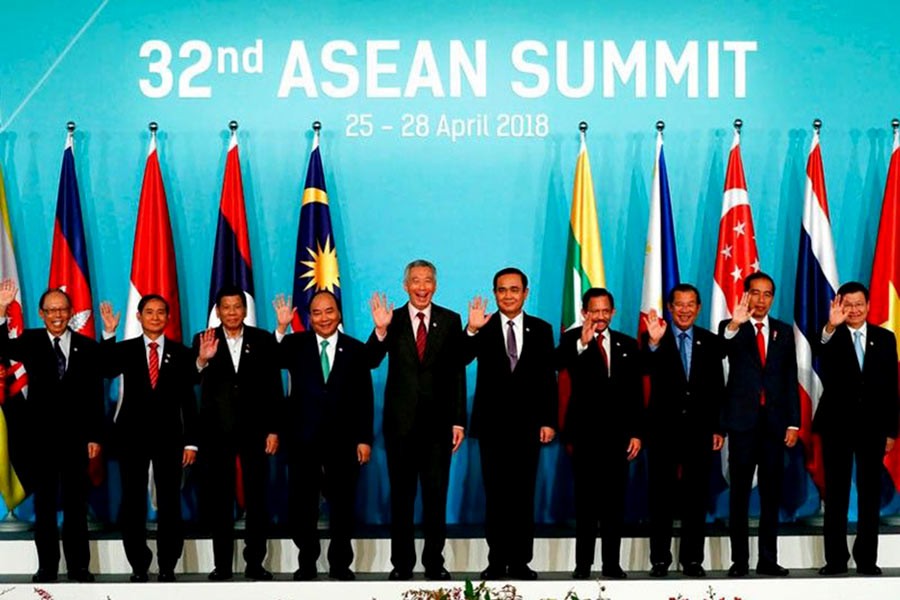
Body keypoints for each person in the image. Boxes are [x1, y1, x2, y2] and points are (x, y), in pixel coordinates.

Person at [367, 259, 466, 581]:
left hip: (438, 429)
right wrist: (379, 330)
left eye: (427, 281)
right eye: (415, 281)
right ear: (405, 286)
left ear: (435, 285)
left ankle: (434, 564)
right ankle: (402, 565)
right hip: (401, 428)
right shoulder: (391, 320)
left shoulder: (450, 320)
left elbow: (456, 373)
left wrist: (457, 421)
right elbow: (370, 360)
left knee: (436, 499)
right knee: (402, 499)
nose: (422, 287)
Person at [0, 280, 102, 583]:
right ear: (41, 314)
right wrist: (3, 308)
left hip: (76, 441)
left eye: (62, 309)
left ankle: (78, 567)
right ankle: (47, 568)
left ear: (71, 312)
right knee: (44, 509)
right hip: (40, 442)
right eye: (51, 310)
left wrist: (95, 435)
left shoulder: (87, 346)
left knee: (75, 508)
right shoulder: (30, 341)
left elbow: (95, 394)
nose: (57, 314)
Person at [273, 290, 374, 581]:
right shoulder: (294, 344)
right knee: (302, 505)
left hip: (344, 441)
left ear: (338, 314)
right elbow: (274, 359)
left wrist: (364, 438)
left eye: (329, 311)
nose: (323, 317)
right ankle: (307, 562)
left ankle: (340, 563)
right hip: (303, 439)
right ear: (308, 317)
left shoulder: (355, 350)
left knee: (342, 505)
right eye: (316, 313)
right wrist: (281, 328)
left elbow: (364, 398)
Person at [463, 267, 556, 581]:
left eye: (514, 289)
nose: (508, 295)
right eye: (502, 290)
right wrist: (472, 331)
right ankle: (496, 560)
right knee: (497, 496)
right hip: (492, 428)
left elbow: (548, 379)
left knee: (522, 496)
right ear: (495, 293)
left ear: (525, 293)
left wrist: (548, 420)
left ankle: (520, 561)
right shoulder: (484, 328)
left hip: (529, 428)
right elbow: (460, 358)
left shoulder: (542, 330)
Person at [99, 295, 200, 582]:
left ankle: (168, 564)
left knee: (170, 503)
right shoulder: (127, 349)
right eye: (149, 312)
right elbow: (105, 369)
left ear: (168, 318)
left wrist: (191, 441)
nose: (155, 317)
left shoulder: (181, 353)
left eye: (160, 313)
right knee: (132, 504)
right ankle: (139, 565)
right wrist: (108, 333)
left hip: (170, 440)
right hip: (132, 439)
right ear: (139, 316)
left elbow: (188, 402)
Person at [192, 285, 283, 581]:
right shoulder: (203, 339)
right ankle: (223, 566)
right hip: (216, 434)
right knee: (220, 502)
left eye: (237, 307)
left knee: (258, 500)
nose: (231, 312)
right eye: (226, 307)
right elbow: (189, 379)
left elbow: (273, 387)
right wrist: (202, 360)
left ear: (245, 310)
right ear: (217, 311)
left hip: (255, 432)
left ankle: (255, 563)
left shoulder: (262, 340)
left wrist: (273, 428)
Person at [557, 287, 642, 580]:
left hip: (618, 438)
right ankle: (583, 565)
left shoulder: (627, 344)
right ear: (584, 313)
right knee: (586, 504)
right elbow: (558, 363)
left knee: (614, 505)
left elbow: (635, 393)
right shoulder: (572, 340)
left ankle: (611, 564)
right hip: (585, 436)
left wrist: (636, 433)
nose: (601, 316)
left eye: (606, 311)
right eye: (595, 311)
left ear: (613, 312)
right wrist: (582, 345)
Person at [718, 272, 799, 577]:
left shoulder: (783, 331)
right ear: (745, 295)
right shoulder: (731, 328)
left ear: (772, 298)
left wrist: (793, 423)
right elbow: (720, 351)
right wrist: (735, 324)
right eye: (755, 293)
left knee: (770, 495)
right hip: (742, 425)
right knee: (739, 495)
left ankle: (767, 559)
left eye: (767, 294)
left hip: (775, 427)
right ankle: (739, 561)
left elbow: (789, 378)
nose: (761, 300)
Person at [815, 281, 898, 577]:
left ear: (868, 305)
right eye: (847, 304)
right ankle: (835, 560)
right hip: (837, 426)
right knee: (836, 494)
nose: (853, 309)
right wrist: (829, 327)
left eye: (858, 303)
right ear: (839, 306)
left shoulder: (885, 338)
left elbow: (891, 388)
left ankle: (866, 559)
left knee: (869, 494)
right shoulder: (832, 335)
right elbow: (819, 353)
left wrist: (891, 431)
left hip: (873, 428)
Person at [642, 283, 725, 578]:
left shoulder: (711, 341)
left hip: (700, 432)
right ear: (670, 307)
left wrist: (718, 428)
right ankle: (660, 560)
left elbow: (717, 389)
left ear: (699, 308)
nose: (685, 310)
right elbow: (644, 372)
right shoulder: (655, 338)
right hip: (662, 432)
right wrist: (653, 343)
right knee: (660, 498)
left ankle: (692, 560)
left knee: (696, 498)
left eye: (691, 304)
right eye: (679, 304)